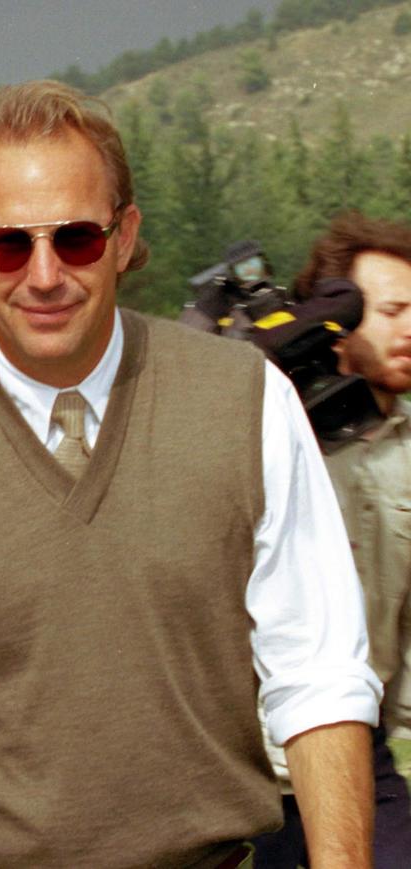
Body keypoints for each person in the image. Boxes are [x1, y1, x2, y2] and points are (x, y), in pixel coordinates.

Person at [0, 80, 382, 868]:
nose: (45, 274)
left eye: (77, 238)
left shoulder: (246, 400)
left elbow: (319, 673)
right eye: (9, 245)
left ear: (124, 236)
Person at [252, 212, 411, 868]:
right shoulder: (264, 424)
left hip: (356, 746)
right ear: (336, 322)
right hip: (238, 756)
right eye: (394, 309)